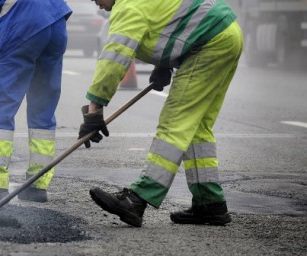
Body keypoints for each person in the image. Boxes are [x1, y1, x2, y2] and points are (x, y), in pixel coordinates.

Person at [80, 0, 243, 227]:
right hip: (226, 33)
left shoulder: (127, 8)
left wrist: (94, 110)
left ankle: (138, 199)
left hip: (209, 42)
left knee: (174, 122)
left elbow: (114, 59)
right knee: (196, 126)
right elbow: (171, 21)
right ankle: (210, 204)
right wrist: (164, 64)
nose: (94, 2)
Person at [0, 0, 72, 203]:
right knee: (42, 108)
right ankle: (37, 185)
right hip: (56, 22)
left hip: (23, 24)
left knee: (0, 109)